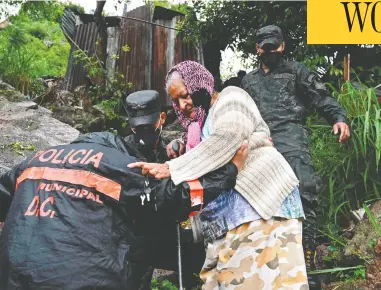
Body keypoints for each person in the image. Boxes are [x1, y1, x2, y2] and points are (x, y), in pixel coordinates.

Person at [129, 61, 309, 289]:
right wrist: (183, 146)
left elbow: (228, 138)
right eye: (176, 101)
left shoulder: (231, 98)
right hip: (225, 226)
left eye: (185, 95)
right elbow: (209, 149)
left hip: (262, 212)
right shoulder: (197, 128)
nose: (183, 105)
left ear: (200, 85)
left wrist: (171, 168)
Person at [0, 131, 247, 290]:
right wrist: (230, 171)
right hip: (84, 280)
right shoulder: (117, 163)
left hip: (15, 277)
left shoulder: (33, 161)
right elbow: (173, 198)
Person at [240, 24, 351, 288]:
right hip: (260, 142)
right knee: (257, 200)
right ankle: (267, 263)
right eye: (265, 48)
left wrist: (338, 118)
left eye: (274, 47)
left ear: (282, 46)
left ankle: (306, 258)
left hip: (291, 135)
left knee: (305, 189)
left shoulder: (296, 72)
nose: (270, 52)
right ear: (258, 49)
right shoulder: (248, 81)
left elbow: (320, 96)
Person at [123, 90, 207, 288]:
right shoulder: (122, 150)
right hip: (134, 234)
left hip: (166, 227)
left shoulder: (168, 150)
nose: (144, 133)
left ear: (161, 118)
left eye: (149, 126)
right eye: (138, 128)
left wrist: (180, 154)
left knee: (196, 255)